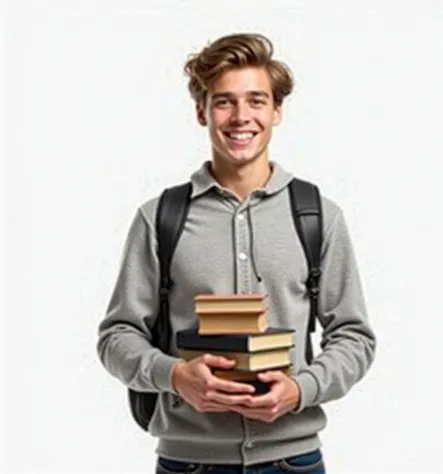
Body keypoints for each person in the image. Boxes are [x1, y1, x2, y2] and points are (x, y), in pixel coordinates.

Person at [97, 32, 376, 474]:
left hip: (294, 461)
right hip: (188, 462)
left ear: (277, 110)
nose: (241, 116)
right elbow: (117, 337)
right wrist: (174, 376)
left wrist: (300, 389)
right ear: (201, 111)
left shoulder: (318, 215)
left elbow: (354, 338)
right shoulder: (159, 218)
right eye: (224, 101)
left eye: (257, 101)